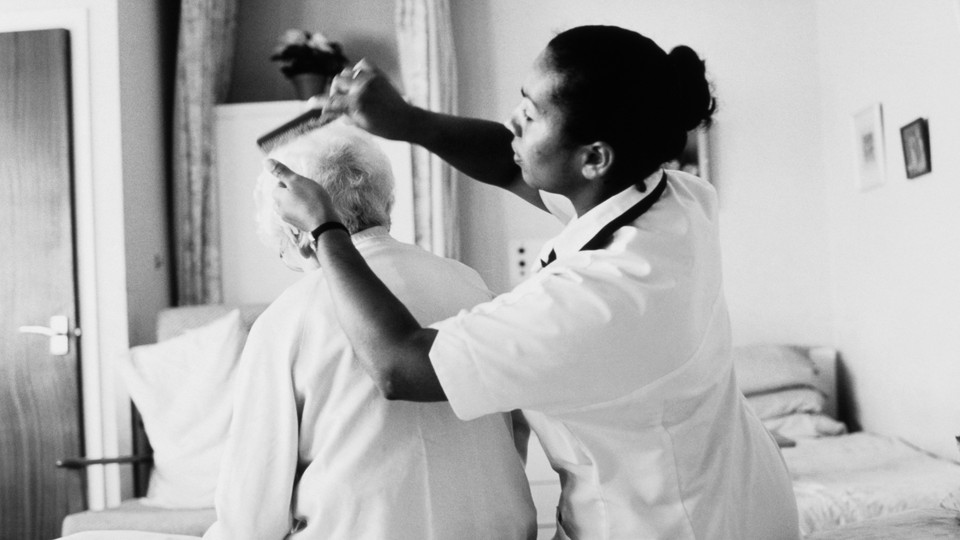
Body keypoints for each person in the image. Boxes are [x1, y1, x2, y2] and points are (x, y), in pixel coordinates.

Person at [272, 25, 800, 540]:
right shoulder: (674, 195)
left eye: (531, 114)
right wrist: (408, 120)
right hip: (741, 496)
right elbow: (511, 163)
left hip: (665, 523)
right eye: (521, 103)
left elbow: (400, 366)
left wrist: (323, 227)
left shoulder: (598, 301)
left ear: (594, 157)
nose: (513, 122)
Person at [59, 121, 536, 540]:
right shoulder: (470, 283)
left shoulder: (288, 318)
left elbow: (251, 514)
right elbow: (514, 428)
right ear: (385, 200)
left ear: (294, 232)